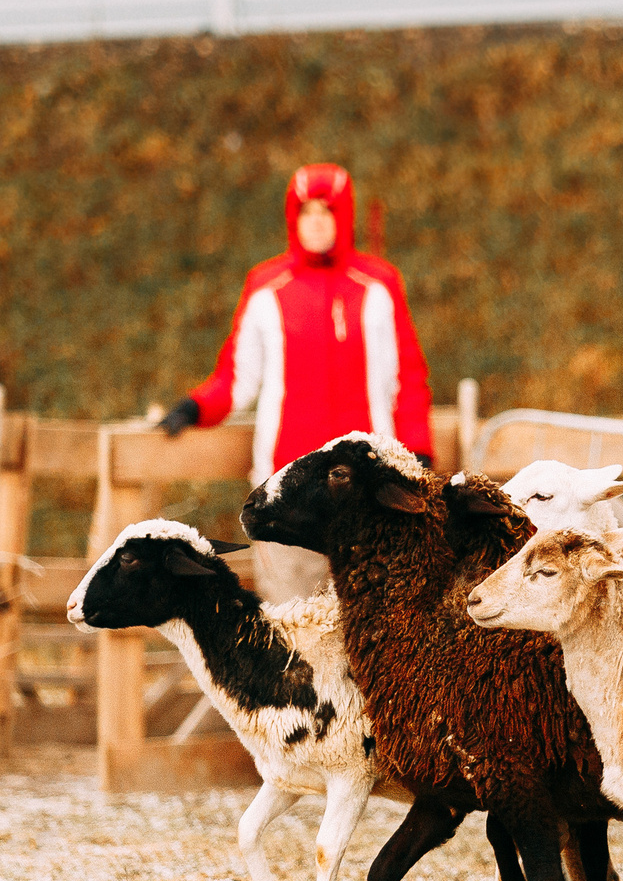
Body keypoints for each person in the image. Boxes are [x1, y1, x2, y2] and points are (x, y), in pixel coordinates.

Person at [160, 161, 434, 601]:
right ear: (293, 218)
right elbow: (236, 378)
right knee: (293, 626)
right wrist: (193, 407)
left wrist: (418, 455)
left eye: (327, 211)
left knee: (370, 625)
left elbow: (408, 379)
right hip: (285, 492)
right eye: (306, 212)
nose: (317, 222)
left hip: (367, 491)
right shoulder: (266, 286)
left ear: (343, 217)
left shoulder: (379, 284)